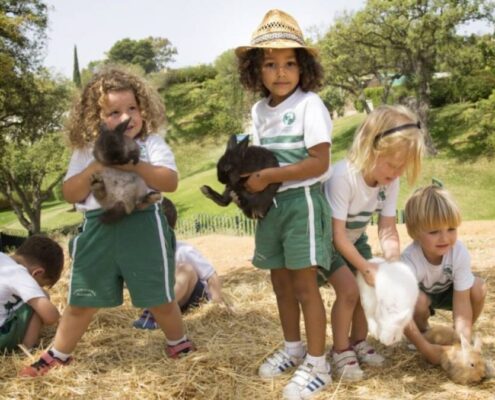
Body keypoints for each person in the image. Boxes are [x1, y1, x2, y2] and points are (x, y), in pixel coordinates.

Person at [20, 67, 194, 377]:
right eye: (114, 112)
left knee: (159, 297)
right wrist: (99, 163)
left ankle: (178, 342)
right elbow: (70, 192)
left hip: (143, 225)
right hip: (98, 228)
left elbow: (170, 182)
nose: (126, 117)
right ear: (97, 118)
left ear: (142, 110)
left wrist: (136, 164)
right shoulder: (87, 150)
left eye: (132, 109)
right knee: (81, 299)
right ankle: (59, 353)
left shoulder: (150, 143)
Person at [236, 9, 333, 399]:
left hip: (301, 204)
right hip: (269, 208)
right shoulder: (259, 112)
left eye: (289, 63)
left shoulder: (311, 105)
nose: (280, 72)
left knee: (305, 286)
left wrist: (268, 178)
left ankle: (318, 364)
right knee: (280, 284)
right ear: (256, 72)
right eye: (271, 64)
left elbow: (319, 162)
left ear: (303, 67)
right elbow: (258, 159)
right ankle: (293, 349)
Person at [318, 105, 424, 381]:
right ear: (370, 147)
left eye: (403, 166)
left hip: (354, 239)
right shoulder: (344, 177)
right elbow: (337, 235)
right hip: (328, 242)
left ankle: (358, 342)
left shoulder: (389, 181)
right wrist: (365, 267)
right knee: (350, 290)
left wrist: (392, 264)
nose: (397, 172)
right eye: (392, 164)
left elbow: (387, 227)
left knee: (369, 288)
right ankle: (340, 350)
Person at [402, 184, 487, 363]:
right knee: (417, 300)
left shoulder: (458, 252)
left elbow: (462, 303)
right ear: (414, 232)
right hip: (421, 298)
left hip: (450, 292)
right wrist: (425, 348)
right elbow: (400, 310)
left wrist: (461, 343)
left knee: (478, 287)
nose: (445, 238)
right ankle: (425, 334)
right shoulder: (410, 260)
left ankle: (456, 337)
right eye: (434, 232)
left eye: (451, 229)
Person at [133, 198, 227, 329]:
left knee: (186, 269)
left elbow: (211, 275)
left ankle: (153, 314)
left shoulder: (183, 250)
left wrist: (217, 303)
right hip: (170, 301)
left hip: (193, 298)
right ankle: (157, 311)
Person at [0, 235, 64, 352]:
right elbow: (51, 317)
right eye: (38, 285)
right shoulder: (18, 273)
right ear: (37, 273)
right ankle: (27, 349)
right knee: (43, 297)